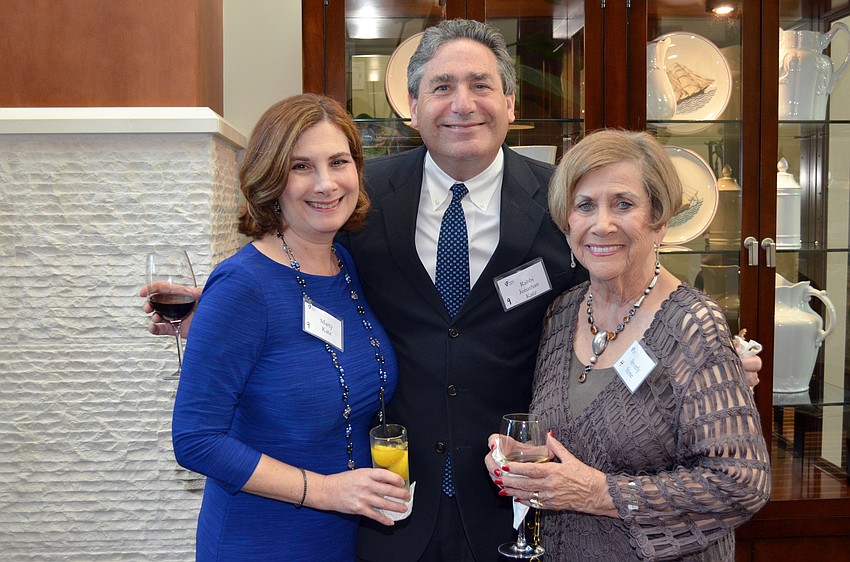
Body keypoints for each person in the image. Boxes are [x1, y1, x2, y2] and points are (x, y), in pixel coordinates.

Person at [144, 20, 762, 561]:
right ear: (410, 106)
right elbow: (304, 271)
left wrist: (709, 354)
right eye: (441, 87)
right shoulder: (362, 199)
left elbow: (621, 284)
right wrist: (222, 308)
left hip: (512, 509)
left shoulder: (562, 200)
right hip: (388, 512)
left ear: (510, 102)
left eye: (480, 85)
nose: (461, 104)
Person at [485, 129, 771, 561]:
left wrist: (599, 493)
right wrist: (528, 460)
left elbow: (741, 482)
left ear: (659, 221)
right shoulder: (563, 315)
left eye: (623, 204)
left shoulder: (691, 325)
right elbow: (580, 443)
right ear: (567, 227)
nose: (602, 224)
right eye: (585, 206)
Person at [161, 94, 410, 561]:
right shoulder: (242, 285)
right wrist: (326, 492)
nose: (325, 183)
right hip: (260, 539)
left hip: (340, 537)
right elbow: (195, 440)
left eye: (339, 161)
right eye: (301, 166)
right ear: (270, 179)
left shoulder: (344, 264)